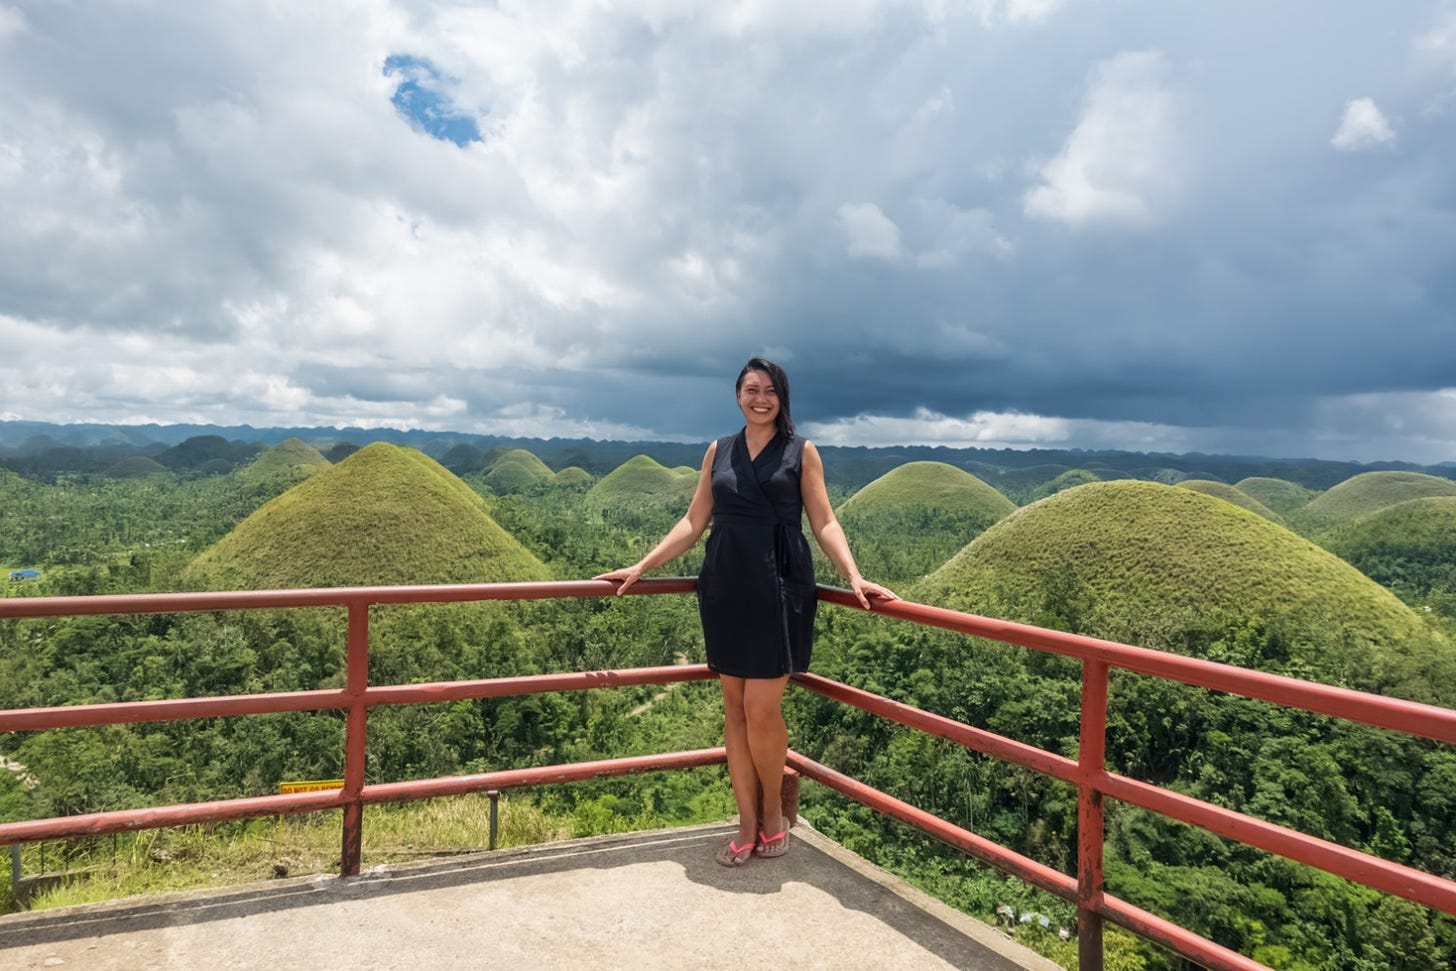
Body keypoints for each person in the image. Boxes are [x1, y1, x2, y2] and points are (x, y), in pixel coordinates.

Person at [595, 357, 897, 866]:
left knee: (762, 710)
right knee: (733, 711)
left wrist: (852, 574)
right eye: (751, 389)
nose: (760, 398)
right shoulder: (720, 450)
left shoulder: (801, 452)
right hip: (727, 585)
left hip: (779, 587)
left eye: (770, 390)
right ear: (737, 395)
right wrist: (640, 567)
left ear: (783, 398)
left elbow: (823, 521)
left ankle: (774, 816)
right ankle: (746, 821)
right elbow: (694, 521)